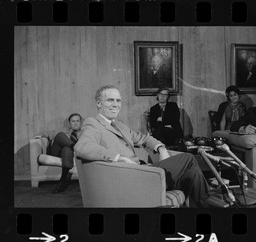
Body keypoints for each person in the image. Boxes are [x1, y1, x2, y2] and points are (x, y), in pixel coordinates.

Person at [74, 85, 210, 207]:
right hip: (130, 179)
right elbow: (82, 147)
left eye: (118, 100)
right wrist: (119, 158)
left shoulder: (120, 125)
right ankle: (211, 205)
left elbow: (143, 138)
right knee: (188, 158)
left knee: (193, 174)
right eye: (110, 100)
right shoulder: (92, 124)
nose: (116, 105)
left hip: (145, 173)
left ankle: (206, 210)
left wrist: (160, 147)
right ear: (98, 103)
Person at [36, 113, 83, 193]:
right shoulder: (64, 130)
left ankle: (62, 181)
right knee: (60, 135)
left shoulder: (84, 133)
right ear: (69, 123)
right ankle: (74, 146)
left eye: (77, 121)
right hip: (57, 153)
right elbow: (48, 133)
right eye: (73, 121)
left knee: (66, 149)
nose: (75, 123)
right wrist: (40, 136)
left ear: (80, 122)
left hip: (69, 156)